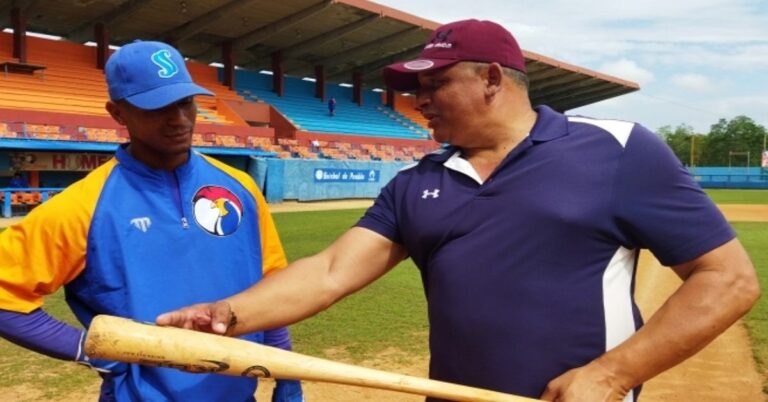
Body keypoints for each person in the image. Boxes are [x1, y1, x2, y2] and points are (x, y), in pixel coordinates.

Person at [156, 20, 760, 402]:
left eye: (434, 86)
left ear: (492, 78)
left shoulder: (619, 150)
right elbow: (332, 271)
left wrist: (612, 374)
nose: (418, 102)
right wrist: (226, 314)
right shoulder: (417, 182)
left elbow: (728, 279)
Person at [0, 40, 303, 402]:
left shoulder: (241, 188)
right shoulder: (82, 205)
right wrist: (90, 350)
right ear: (118, 113)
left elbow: (269, 286)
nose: (178, 119)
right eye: (157, 107)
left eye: (185, 102)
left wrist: (287, 370)